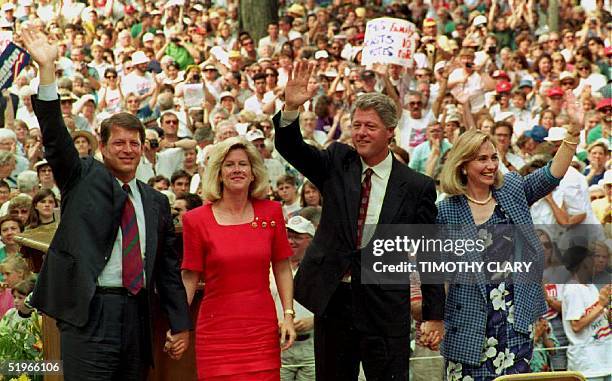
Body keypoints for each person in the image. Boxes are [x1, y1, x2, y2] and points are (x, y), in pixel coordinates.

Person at [22, 27, 192, 381]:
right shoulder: (81, 176)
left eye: (135, 143)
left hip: (137, 316)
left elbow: (167, 271)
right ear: (102, 147)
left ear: (143, 148)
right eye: (119, 143)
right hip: (89, 310)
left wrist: (180, 323)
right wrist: (47, 70)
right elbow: (54, 135)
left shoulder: (157, 202)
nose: (128, 149)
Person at [274, 60, 443, 380]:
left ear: (390, 132)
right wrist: (291, 108)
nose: (361, 133)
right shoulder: (338, 161)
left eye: (370, 126)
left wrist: (434, 316)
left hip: (385, 305)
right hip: (334, 299)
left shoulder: (416, 186)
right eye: (357, 124)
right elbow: (291, 147)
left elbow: (429, 254)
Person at [429, 122, 581, 379]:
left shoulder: (510, 189)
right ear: (463, 165)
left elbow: (551, 174)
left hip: (514, 320)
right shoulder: (446, 211)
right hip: (467, 324)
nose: (491, 165)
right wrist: (434, 318)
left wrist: (572, 137)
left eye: (493, 158)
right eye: (482, 159)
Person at [181, 136, 296, 381]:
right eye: (229, 164)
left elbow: (283, 268)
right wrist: (179, 321)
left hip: (261, 330)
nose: (237, 170)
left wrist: (287, 315)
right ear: (219, 173)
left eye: (243, 164)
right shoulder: (195, 219)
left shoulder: (272, 212)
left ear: (253, 172)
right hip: (216, 333)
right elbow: (189, 276)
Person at [272, 215, 316, 381]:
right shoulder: (270, 267)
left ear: (311, 241)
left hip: (310, 349)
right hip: (278, 348)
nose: (291, 241)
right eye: (288, 236)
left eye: (298, 237)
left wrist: (313, 321)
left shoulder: (320, 270)